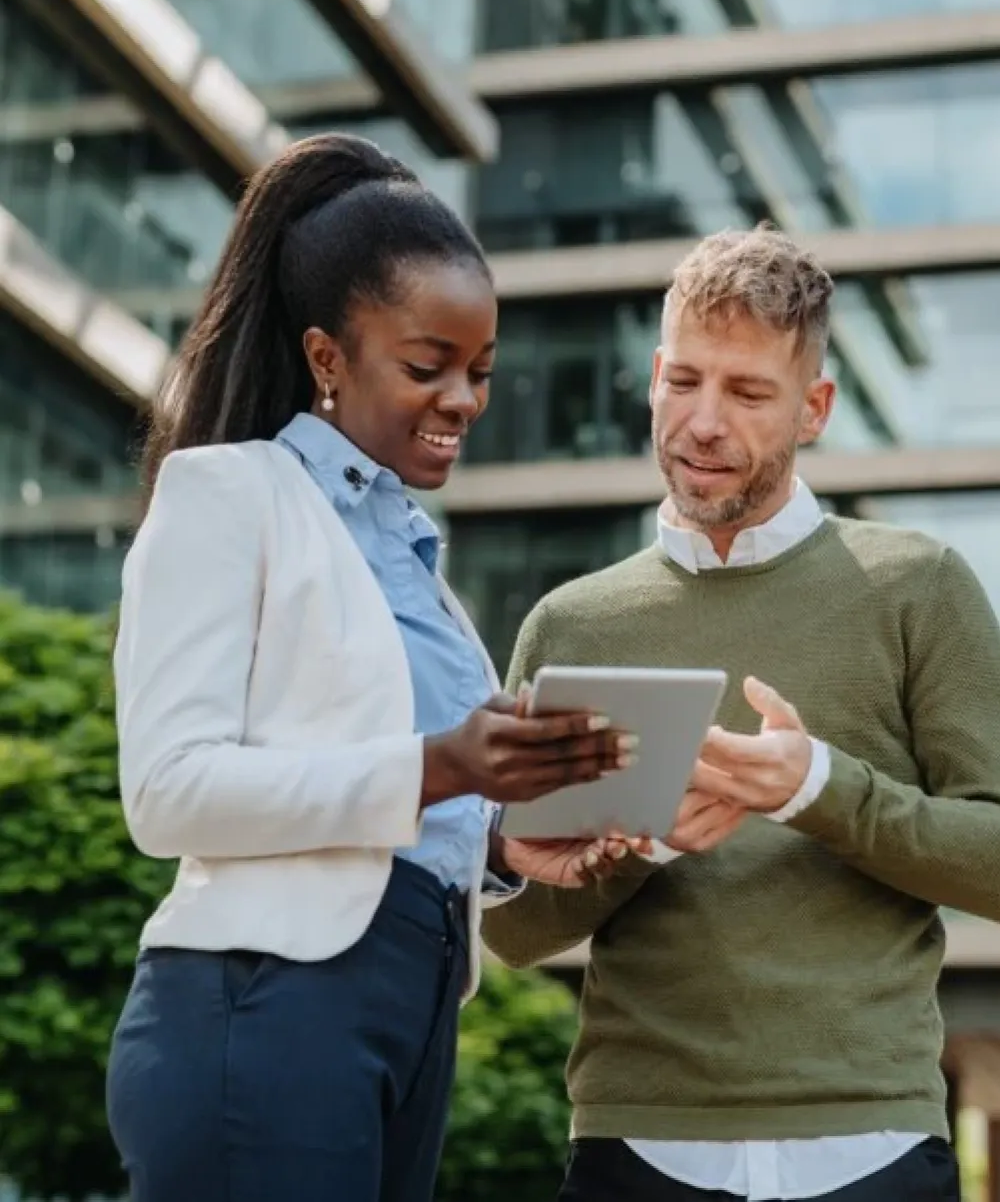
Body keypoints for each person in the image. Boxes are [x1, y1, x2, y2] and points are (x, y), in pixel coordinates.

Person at [106, 133, 640, 1202]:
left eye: (479, 372)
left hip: (409, 1013)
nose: (463, 399)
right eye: (426, 366)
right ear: (327, 357)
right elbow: (166, 792)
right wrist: (444, 763)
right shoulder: (229, 495)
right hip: (268, 1008)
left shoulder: (412, 558)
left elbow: (394, 798)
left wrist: (504, 843)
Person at [481, 225, 1000, 1202]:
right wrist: (644, 840)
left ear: (814, 409)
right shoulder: (570, 625)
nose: (704, 422)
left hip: (872, 1147)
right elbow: (515, 930)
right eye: (683, 381)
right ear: (653, 380)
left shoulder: (919, 588)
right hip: (637, 1150)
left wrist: (819, 789)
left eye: (749, 392)